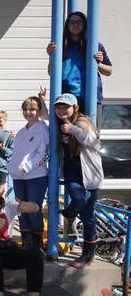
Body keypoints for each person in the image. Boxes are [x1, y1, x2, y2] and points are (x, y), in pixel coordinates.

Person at [54, 93, 103, 269]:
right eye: (58, 107)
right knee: (79, 199)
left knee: (88, 216)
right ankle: (69, 215)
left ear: (75, 108)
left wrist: (72, 129)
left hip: (89, 172)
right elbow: (44, 117)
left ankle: (88, 254)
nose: (61, 110)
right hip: (71, 170)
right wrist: (42, 101)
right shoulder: (58, 123)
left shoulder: (83, 123)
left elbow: (95, 144)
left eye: (65, 107)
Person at [47, 11, 112, 118]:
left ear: (85, 24)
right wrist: (51, 56)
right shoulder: (61, 45)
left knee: (89, 132)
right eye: (72, 22)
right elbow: (51, 73)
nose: (75, 25)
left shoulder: (94, 45)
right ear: (67, 26)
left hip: (91, 96)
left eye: (79, 22)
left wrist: (98, 64)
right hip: (67, 98)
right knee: (67, 131)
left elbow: (109, 71)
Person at [8, 90, 49, 251]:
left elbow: (45, 152)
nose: (28, 112)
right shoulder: (21, 132)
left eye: (32, 109)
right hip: (18, 177)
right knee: (21, 211)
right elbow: (16, 152)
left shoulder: (42, 128)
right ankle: (27, 243)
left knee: (33, 209)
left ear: (38, 111)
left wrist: (28, 166)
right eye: (25, 109)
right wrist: (11, 167)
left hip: (36, 176)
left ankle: (37, 244)